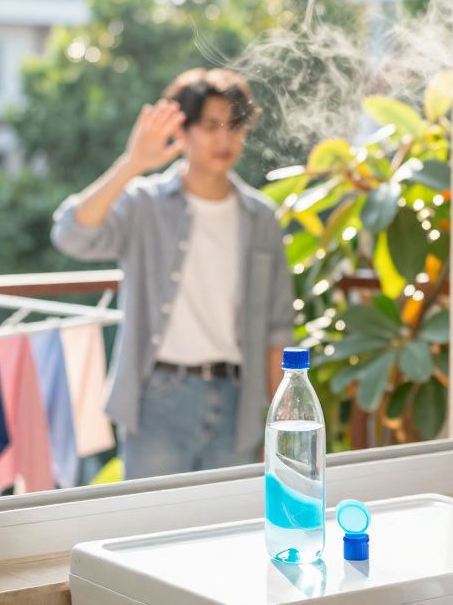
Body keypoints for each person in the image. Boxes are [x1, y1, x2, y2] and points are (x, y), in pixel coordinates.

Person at [52, 68, 294, 479]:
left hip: (239, 402)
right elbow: (70, 234)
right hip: (158, 399)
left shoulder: (261, 218)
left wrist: (280, 422)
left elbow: (278, 328)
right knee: (151, 529)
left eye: (234, 125)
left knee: (225, 531)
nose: (224, 139)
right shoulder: (145, 205)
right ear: (183, 131)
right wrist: (133, 164)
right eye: (210, 125)